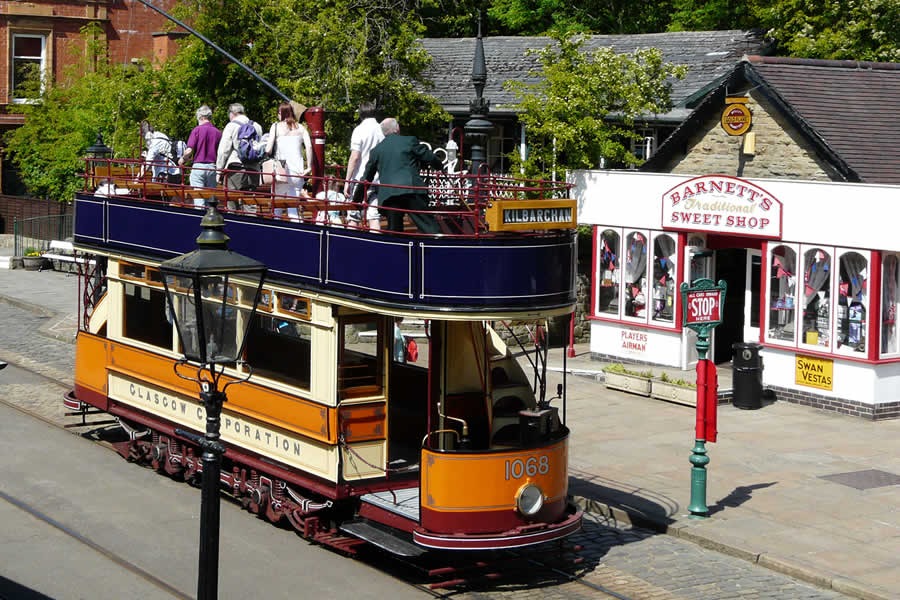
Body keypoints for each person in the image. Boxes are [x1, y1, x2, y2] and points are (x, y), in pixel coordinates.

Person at [354, 117, 442, 234]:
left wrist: (357, 199)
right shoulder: (409, 141)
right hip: (411, 190)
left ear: (383, 132)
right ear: (397, 128)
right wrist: (439, 166)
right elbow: (429, 157)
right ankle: (439, 246)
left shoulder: (376, 150)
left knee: (394, 230)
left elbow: (366, 178)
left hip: (390, 195)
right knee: (428, 225)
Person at [264, 101, 313, 221]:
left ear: (281, 113)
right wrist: (309, 167)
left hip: (282, 169)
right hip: (298, 171)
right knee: (293, 208)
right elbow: (309, 147)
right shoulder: (301, 128)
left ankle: (275, 232)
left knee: (277, 207)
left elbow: (268, 149)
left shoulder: (276, 126)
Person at [343, 101, 384, 230]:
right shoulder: (381, 129)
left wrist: (347, 181)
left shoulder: (359, 130)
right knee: (374, 217)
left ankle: (350, 245)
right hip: (378, 179)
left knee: (353, 216)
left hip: (361, 179)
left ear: (361, 114)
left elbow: (354, 157)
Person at [216, 103, 263, 205]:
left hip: (236, 168)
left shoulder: (231, 126)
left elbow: (223, 150)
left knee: (232, 201)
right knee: (249, 203)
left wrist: (219, 171)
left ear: (232, 113)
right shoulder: (257, 126)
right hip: (253, 169)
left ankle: (232, 220)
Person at [179, 105, 222, 199]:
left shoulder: (197, 130)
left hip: (199, 167)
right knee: (210, 199)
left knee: (199, 198)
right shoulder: (218, 132)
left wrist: (182, 159)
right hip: (212, 167)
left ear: (201, 117)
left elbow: (189, 150)